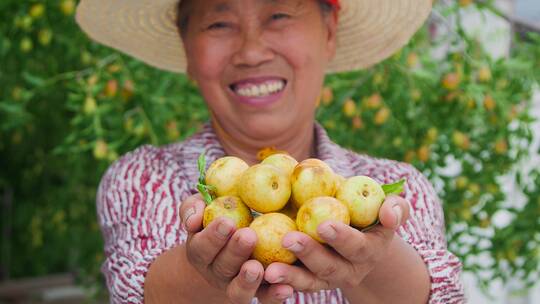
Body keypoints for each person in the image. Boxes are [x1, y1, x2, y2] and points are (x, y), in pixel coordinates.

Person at [76, 0, 464, 303]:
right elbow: (139, 294)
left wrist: (373, 258)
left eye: (278, 13)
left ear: (328, 32)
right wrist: (205, 267)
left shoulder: (397, 192)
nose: (251, 51)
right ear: (187, 50)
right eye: (219, 23)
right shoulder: (143, 178)